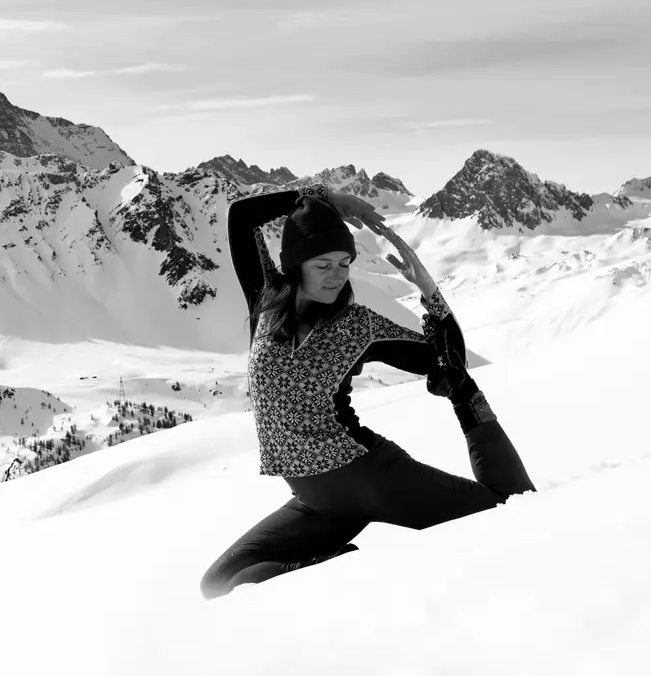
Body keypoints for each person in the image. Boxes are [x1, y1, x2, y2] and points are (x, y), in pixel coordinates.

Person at [198, 184, 536, 599]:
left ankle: (354, 578)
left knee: (511, 509)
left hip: (374, 478)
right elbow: (241, 218)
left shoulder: (358, 325)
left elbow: (448, 360)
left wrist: (430, 293)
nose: (337, 276)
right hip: (316, 502)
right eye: (323, 264)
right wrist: (320, 197)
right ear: (296, 264)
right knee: (216, 585)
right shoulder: (264, 302)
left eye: (344, 263)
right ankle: (338, 567)